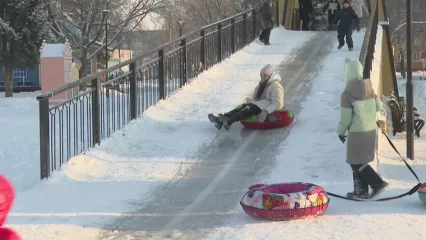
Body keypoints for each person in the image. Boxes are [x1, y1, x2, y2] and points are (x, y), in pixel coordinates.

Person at [337, 58, 388, 199]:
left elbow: (346, 118)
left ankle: (376, 183)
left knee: (355, 162)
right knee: (360, 161)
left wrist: (340, 132)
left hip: (357, 133)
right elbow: (378, 106)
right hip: (371, 131)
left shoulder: (346, 95)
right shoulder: (370, 89)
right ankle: (362, 191)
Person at [208, 64, 284, 130]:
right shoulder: (264, 84)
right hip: (260, 104)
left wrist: (265, 112)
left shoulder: (276, 86)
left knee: (249, 108)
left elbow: (278, 103)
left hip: (267, 106)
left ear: (270, 76)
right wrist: (260, 87)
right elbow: (256, 98)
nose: (262, 78)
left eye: (265, 76)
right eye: (261, 76)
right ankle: (222, 119)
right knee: (242, 106)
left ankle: (229, 121)